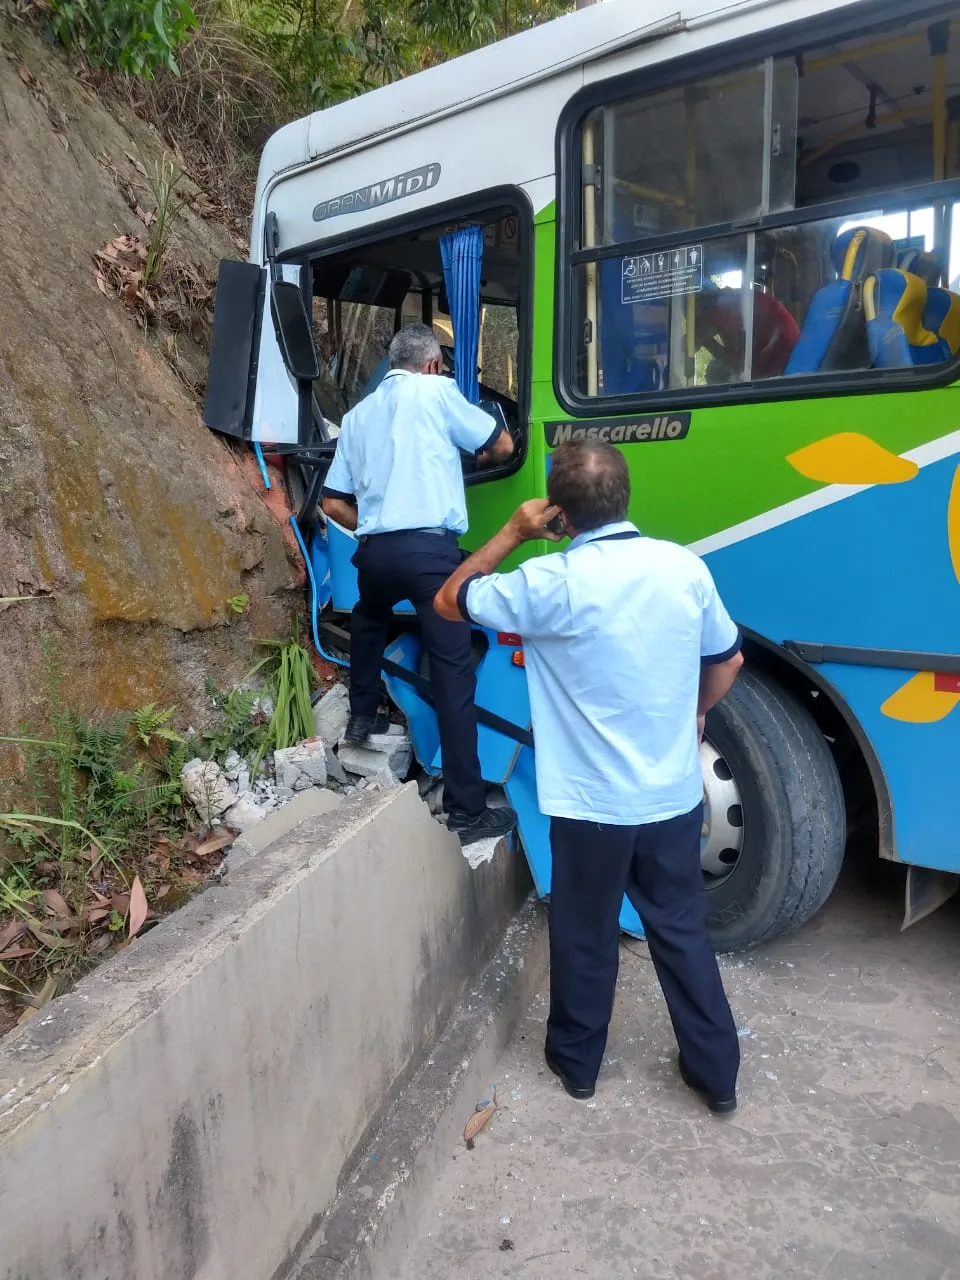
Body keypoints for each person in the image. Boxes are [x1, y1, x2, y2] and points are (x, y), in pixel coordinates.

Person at [434, 439, 744, 1112]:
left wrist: (514, 532)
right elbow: (728, 660)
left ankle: (578, 1065)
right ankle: (717, 1076)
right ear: (625, 496)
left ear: (561, 515)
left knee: (585, 930)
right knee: (681, 930)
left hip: (591, 808)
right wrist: (695, 711)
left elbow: (451, 600)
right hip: (671, 798)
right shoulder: (682, 568)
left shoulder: (549, 583)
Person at [321, 322, 518, 847]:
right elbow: (500, 444)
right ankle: (467, 810)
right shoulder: (438, 391)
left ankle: (361, 717)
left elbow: (332, 501)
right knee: (453, 672)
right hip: (430, 554)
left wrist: (380, 514)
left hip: (377, 553)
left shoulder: (358, 416)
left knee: (368, 619)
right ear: (432, 364)